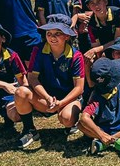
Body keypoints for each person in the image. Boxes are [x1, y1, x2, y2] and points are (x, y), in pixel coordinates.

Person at [14, 14, 85, 148]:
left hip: (67, 98)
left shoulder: (76, 55)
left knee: (67, 119)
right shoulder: (38, 50)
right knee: (21, 92)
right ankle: (29, 129)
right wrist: (47, 97)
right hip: (45, 97)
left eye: (58, 33)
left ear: (67, 36)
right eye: (49, 33)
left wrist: (62, 103)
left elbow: (79, 88)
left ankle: (72, 121)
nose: (52, 37)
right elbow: (32, 78)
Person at [78, 0, 120, 65]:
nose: (96, 5)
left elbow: (118, 40)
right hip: (104, 48)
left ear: (106, 2)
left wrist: (95, 50)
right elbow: (96, 45)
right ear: (88, 7)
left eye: (98, 1)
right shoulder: (91, 24)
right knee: (87, 60)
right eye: (92, 3)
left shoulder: (119, 14)